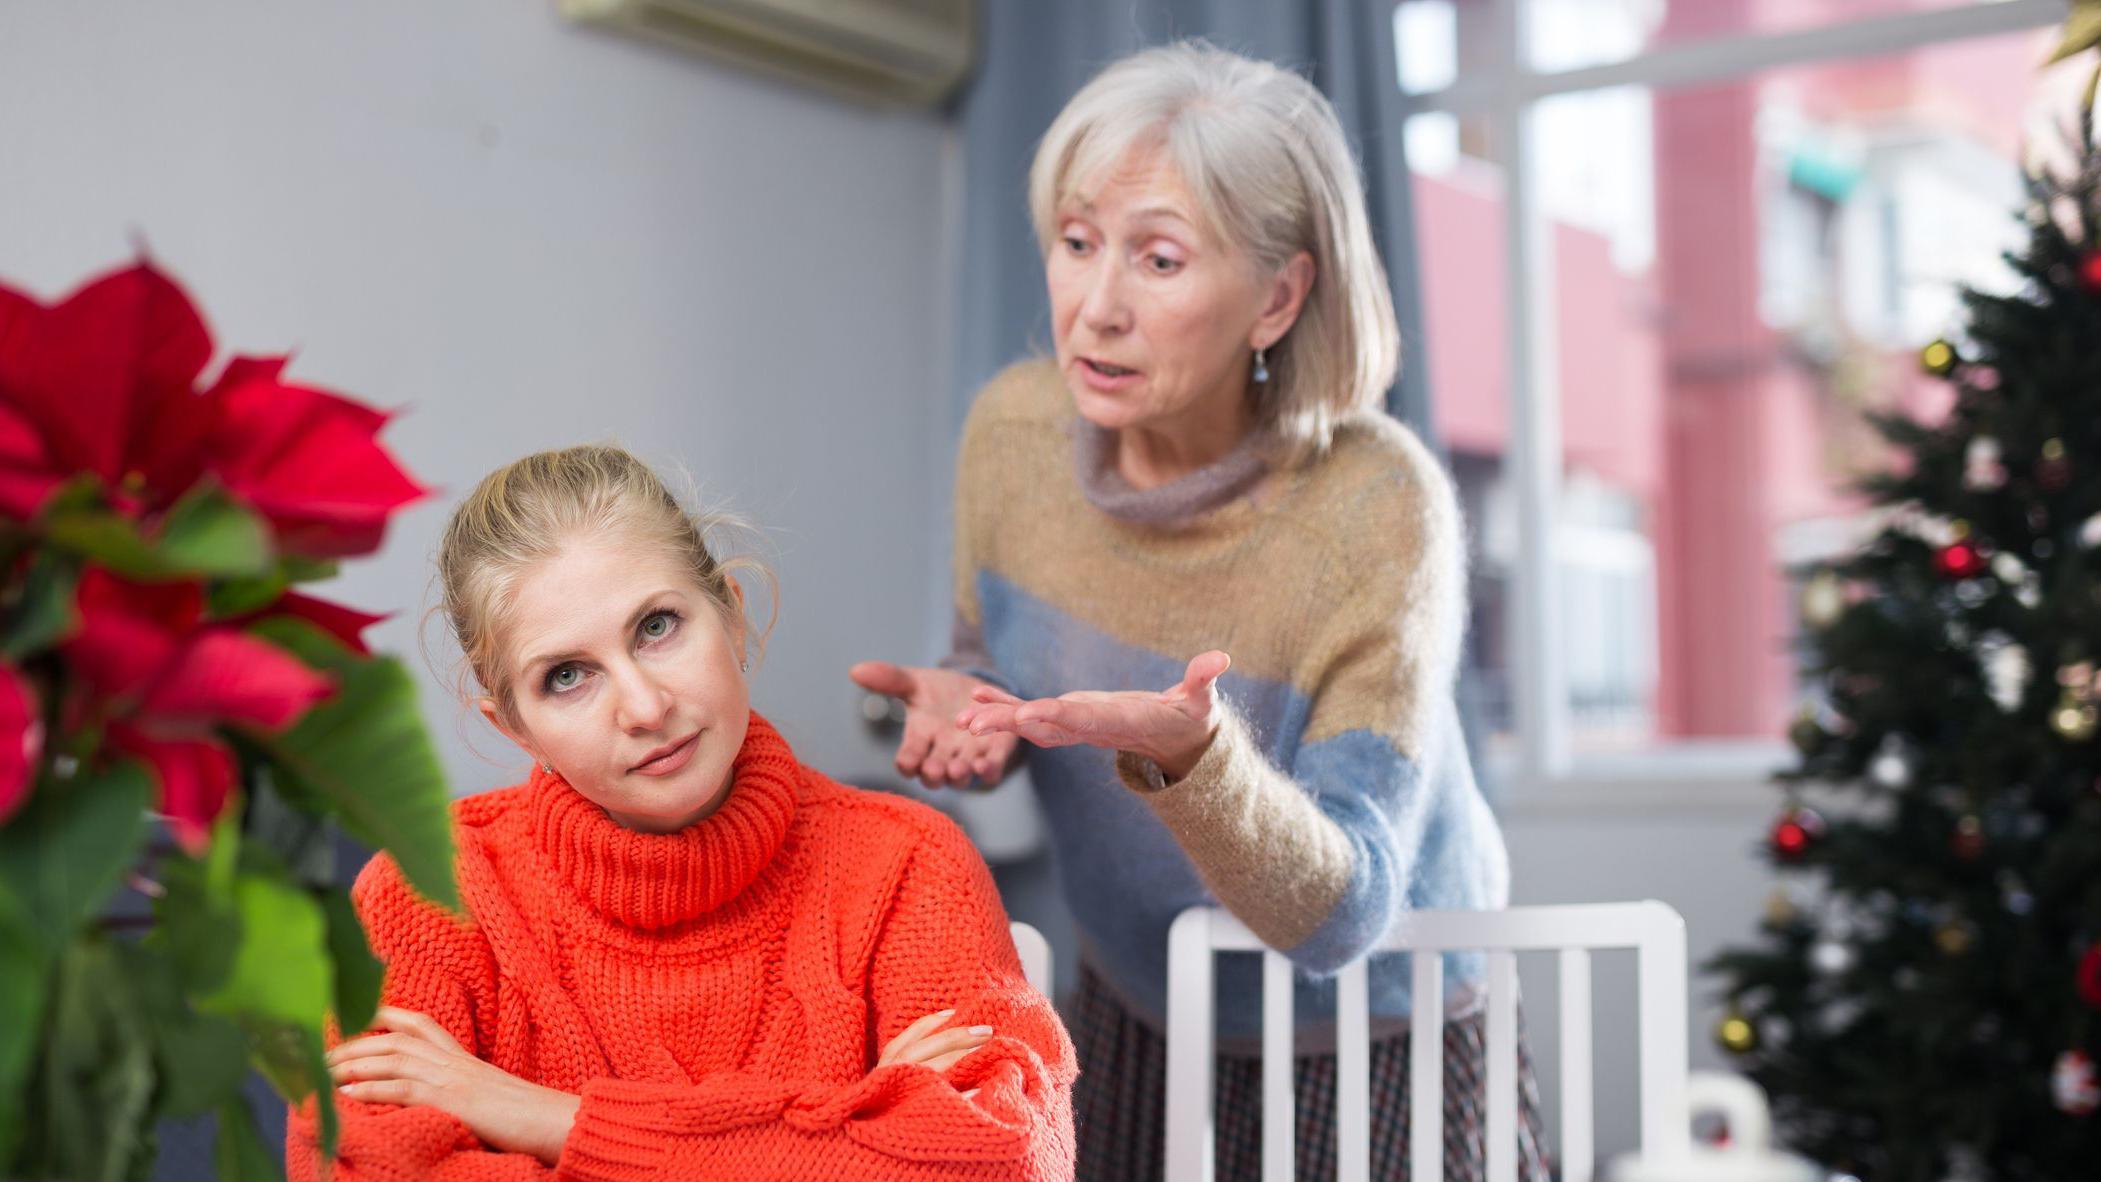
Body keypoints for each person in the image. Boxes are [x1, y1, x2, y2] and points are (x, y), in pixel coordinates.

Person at [850, 42, 1545, 1180]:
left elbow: (1343, 914)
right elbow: (1011, 667)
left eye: (1160, 260)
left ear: (1276, 297)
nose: (1096, 308)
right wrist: (975, 710)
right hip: (1136, 993)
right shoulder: (1014, 435)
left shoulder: (1376, 504)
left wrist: (1197, 763)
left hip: (1376, 1024)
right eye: (1077, 243)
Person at [289, 445, 1076, 1180]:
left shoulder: (907, 866)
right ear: (511, 724)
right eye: (566, 676)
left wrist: (549, 1120)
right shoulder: (427, 891)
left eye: (656, 628)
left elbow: (1001, 1160)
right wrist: (844, 1135)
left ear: (729, 614)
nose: (642, 706)